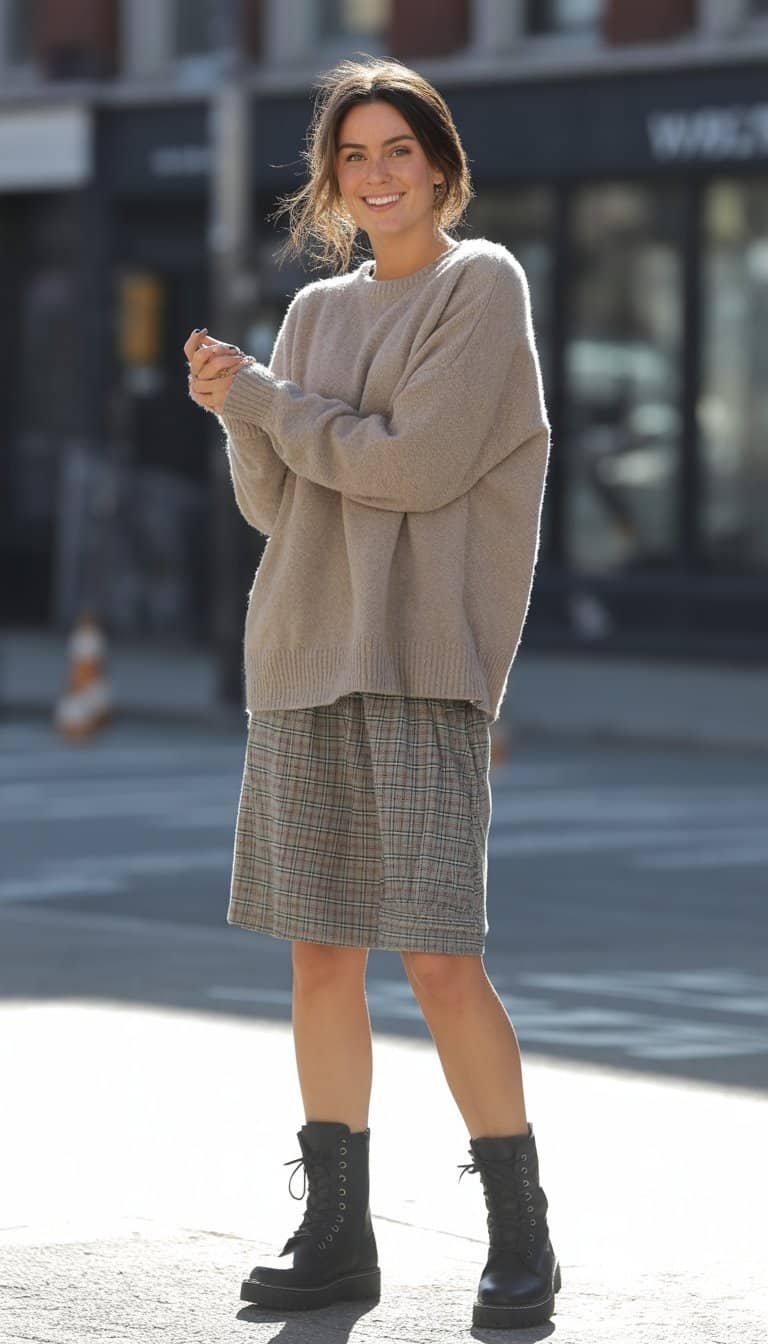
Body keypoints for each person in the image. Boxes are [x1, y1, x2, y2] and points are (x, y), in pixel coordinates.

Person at [184, 55, 560, 1332]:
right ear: (331, 183)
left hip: (418, 659)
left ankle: (521, 1236)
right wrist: (242, 415)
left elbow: (417, 470)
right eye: (355, 154)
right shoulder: (311, 320)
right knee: (319, 961)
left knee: (442, 960)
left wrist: (276, 407)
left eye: (400, 148)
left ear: (442, 166)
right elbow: (278, 504)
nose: (379, 172)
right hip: (301, 656)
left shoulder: (481, 286)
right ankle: (336, 1237)